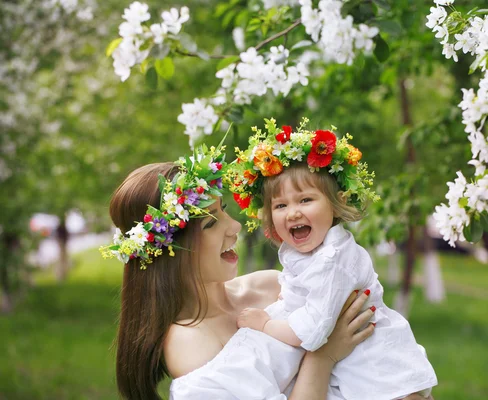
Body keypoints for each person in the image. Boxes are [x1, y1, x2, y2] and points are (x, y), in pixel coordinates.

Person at [100, 147, 376, 400]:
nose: (234, 227)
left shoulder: (270, 285)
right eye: (210, 224)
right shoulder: (190, 343)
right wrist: (323, 356)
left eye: (225, 211)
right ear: (171, 251)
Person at [229, 119, 438, 400]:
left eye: (305, 200)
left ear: (335, 204)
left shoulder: (332, 259)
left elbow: (312, 332)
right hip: (356, 371)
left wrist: (265, 324)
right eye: (280, 205)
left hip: (382, 378)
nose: (292, 213)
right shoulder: (303, 253)